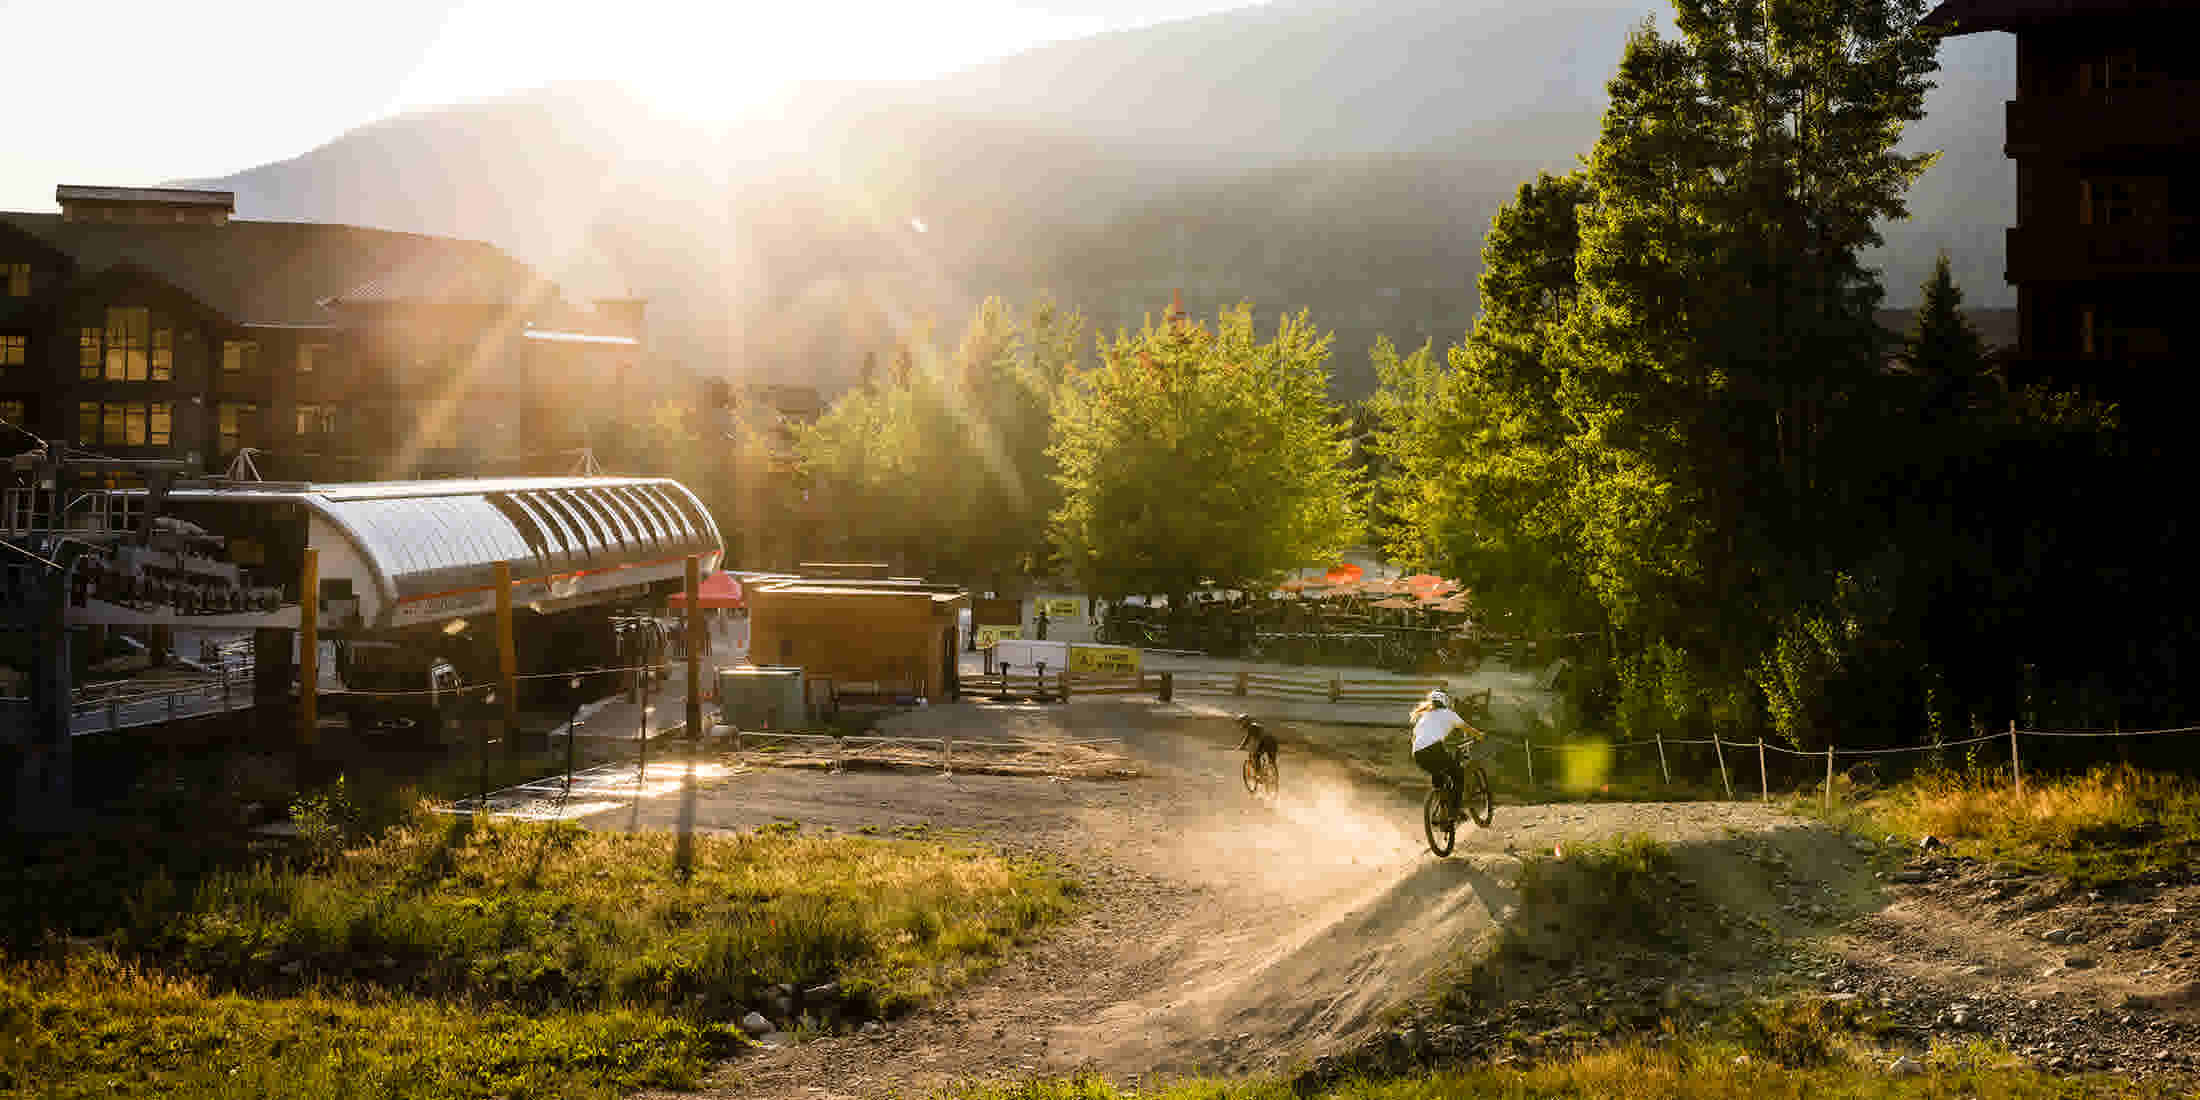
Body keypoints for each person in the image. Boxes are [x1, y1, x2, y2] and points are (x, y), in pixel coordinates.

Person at [1410, 689, 1473, 801]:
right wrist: (1480, 735)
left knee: (1438, 773)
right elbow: (1467, 728)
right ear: (1445, 702)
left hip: (1417, 754)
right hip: (1434, 749)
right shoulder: (1449, 713)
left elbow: (1415, 737)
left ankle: (1441, 806)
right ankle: (1454, 809)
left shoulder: (1425, 716)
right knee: (1458, 774)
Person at [1236, 713, 1278, 784]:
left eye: (1240, 723)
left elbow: (1248, 739)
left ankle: (1259, 775)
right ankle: (1274, 778)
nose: (1240, 725)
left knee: (1255, 756)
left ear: (1244, 722)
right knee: (1272, 762)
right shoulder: (1255, 726)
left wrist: (1241, 746)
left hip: (1265, 742)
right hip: (1273, 742)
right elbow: (1254, 739)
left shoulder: (1251, 727)